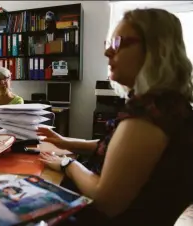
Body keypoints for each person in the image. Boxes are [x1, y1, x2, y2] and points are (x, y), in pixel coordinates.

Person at [38, 8, 193, 226]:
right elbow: (119, 151)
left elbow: (105, 200)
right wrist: (64, 142)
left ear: (156, 49)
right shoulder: (168, 105)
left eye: (118, 43)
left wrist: (67, 163)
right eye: (108, 44)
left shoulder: (151, 114)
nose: (108, 53)